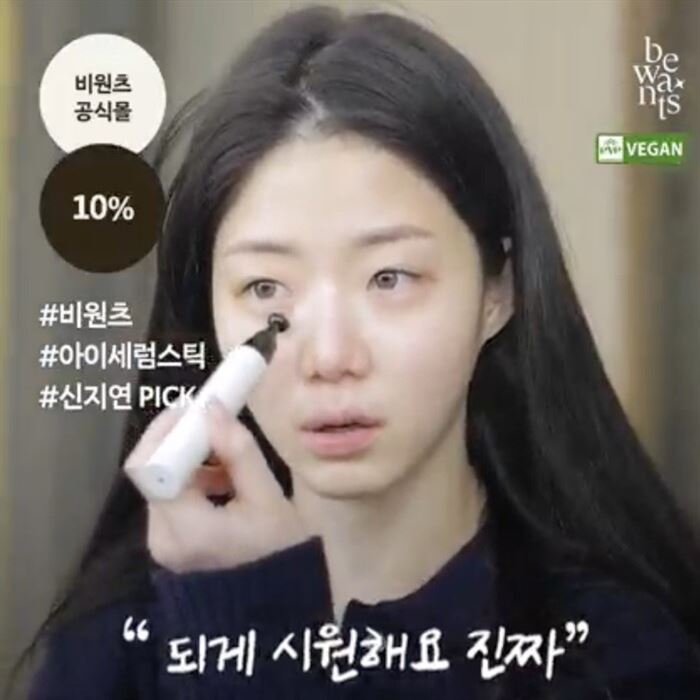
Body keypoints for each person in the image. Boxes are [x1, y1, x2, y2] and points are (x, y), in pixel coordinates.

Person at [11, 4, 700, 699]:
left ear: (499, 290)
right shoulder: (112, 650)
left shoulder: (621, 658)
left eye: (390, 278)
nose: (331, 356)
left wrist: (257, 642)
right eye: (265, 288)